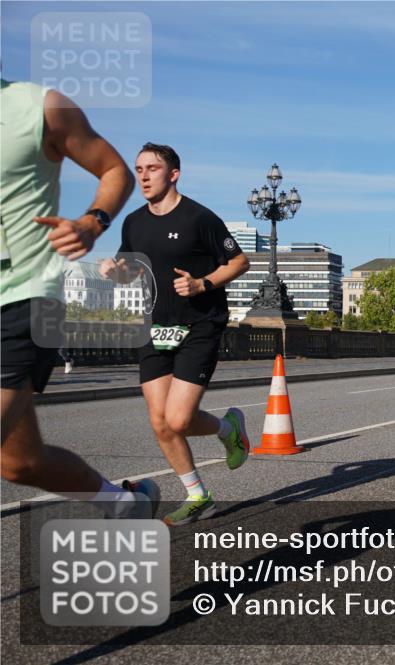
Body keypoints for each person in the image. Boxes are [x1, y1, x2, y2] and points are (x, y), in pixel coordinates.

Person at [0, 79, 159, 516]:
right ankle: (123, 503)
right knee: (21, 463)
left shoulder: (40, 107)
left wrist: (92, 222)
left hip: (25, 297)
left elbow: (115, 170)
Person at [100, 143, 250, 526]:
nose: (144, 176)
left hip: (199, 325)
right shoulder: (133, 222)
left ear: (173, 174)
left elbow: (239, 261)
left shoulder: (200, 217)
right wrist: (114, 270)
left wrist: (203, 283)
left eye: (152, 168)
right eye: (138, 169)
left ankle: (227, 428)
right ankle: (198, 495)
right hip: (154, 326)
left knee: (179, 419)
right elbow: (133, 271)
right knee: (159, 420)